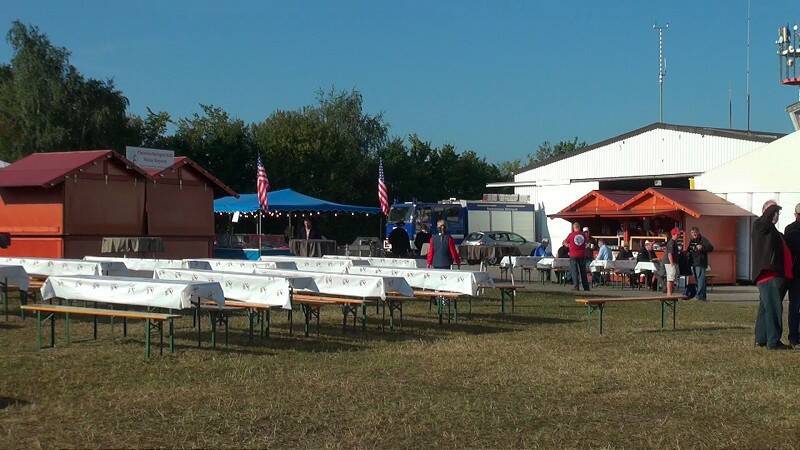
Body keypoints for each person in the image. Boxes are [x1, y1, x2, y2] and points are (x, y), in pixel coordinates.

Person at [753, 200, 793, 350]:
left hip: (776, 276)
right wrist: (773, 208)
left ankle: (761, 338)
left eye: (777, 213)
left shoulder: (775, 232)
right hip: (769, 275)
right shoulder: (760, 226)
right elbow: (765, 220)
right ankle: (773, 341)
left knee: (766, 308)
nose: (776, 215)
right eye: (774, 212)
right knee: (774, 308)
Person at [785, 203, 800, 347]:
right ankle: (794, 337)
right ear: (795, 215)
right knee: (795, 307)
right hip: (796, 275)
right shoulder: (791, 229)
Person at [688, 227, 714, 302]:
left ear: (698, 232)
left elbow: (711, 248)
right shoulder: (692, 240)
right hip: (694, 263)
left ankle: (699, 296)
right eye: (692, 233)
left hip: (700, 263)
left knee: (701, 280)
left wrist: (702, 247)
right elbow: (690, 250)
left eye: (695, 232)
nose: (694, 234)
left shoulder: (703, 239)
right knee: (698, 280)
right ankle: (702, 297)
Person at [564, 222, 590, 291]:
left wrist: (568, 245)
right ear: (579, 227)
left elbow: (566, 242)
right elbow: (587, 243)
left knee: (574, 271)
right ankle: (586, 287)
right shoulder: (583, 235)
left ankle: (576, 286)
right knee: (583, 271)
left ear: (573, 228)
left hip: (573, 255)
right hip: (582, 254)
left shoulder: (571, 235)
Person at [661, 227, 680, 296]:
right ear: (673, 234)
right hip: (669, 262)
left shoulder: (674, 242)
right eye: (677, 234)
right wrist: (672, 264)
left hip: (671, 262)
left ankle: (670, 293)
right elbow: (670, 254)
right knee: (670, 278)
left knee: (671, 278)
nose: (678, 236)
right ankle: (669, 293)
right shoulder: (671, 242)